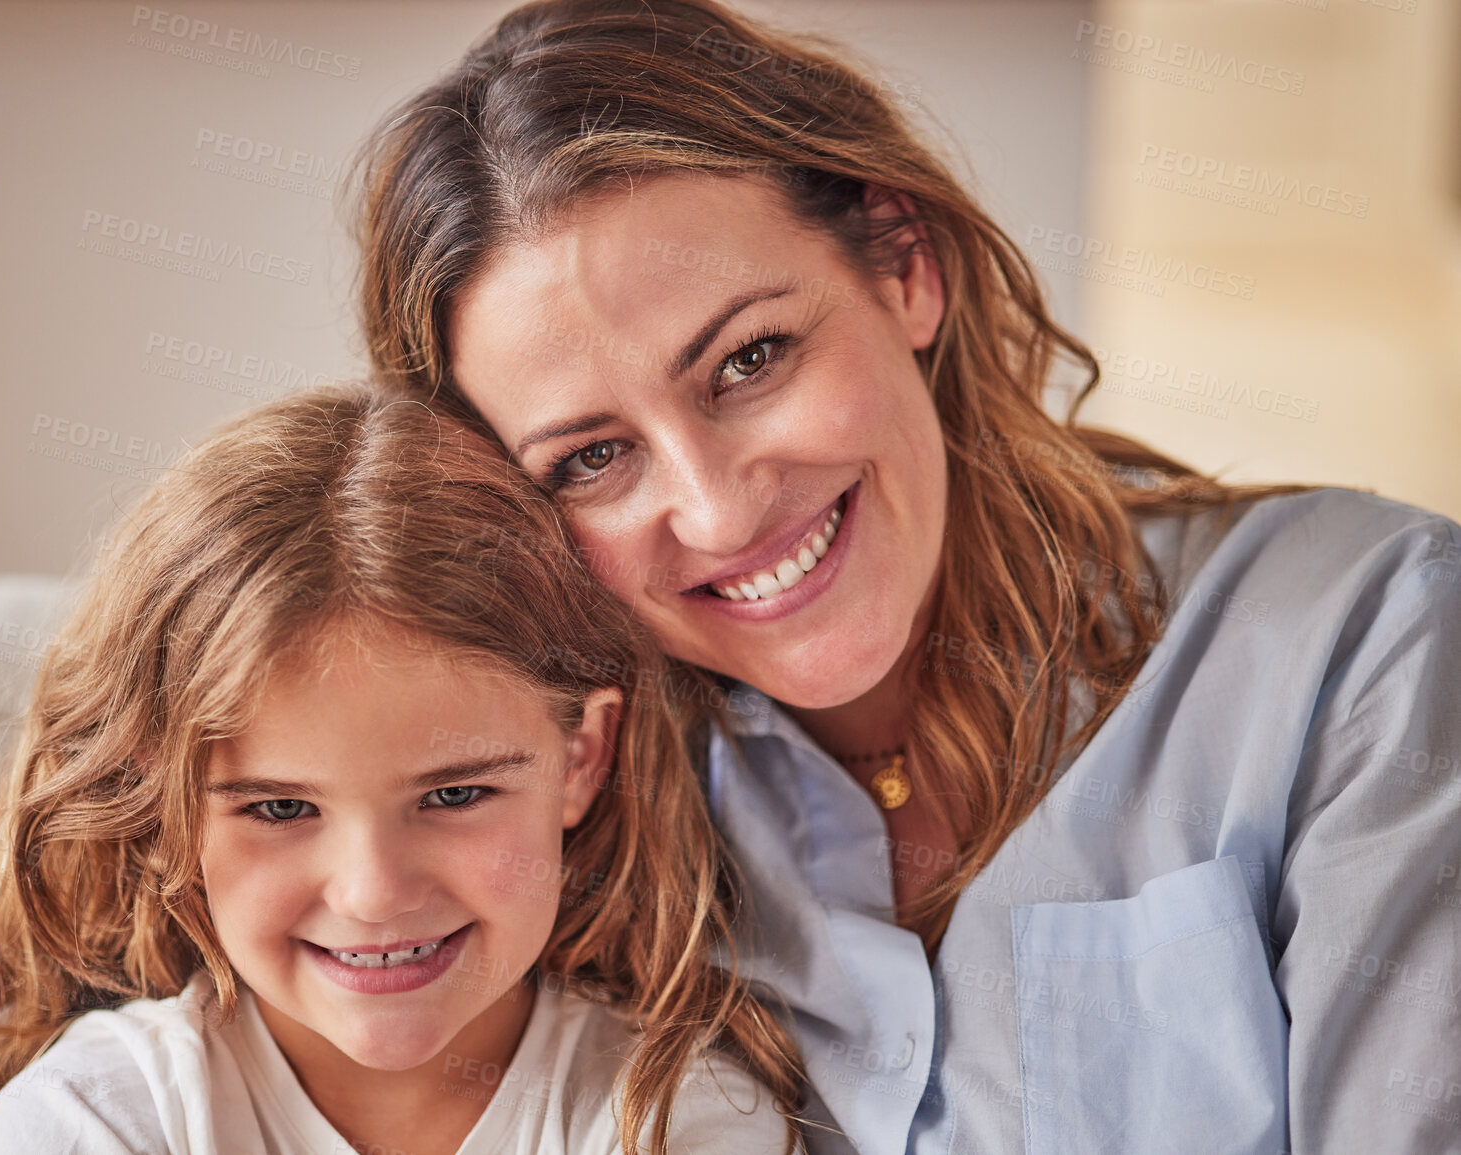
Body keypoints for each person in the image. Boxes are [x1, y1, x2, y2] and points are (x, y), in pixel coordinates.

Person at [351, 1, 1461, 1152]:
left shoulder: (1367, 637)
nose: (718, 506)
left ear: (905, 266)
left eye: (749, 359)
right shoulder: (562, 823)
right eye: (591, 458)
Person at [0, 387, 804, 1155]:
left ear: (579, 759)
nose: (375, 893)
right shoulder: (98, 1121)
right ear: (169, 805)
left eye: (455, 793)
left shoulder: (677, 1118)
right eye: (281, 806)